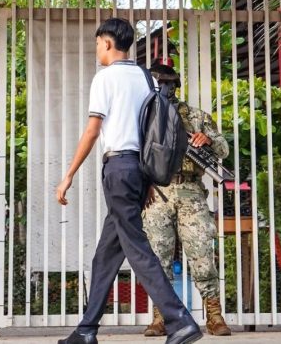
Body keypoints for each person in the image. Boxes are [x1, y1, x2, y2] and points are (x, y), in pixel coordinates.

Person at [55, 18, 202, 344]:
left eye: (97, 44)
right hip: (138, 170)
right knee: (106, 256)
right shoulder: (143, 78)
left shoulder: (104, 78)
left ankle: (180, 322)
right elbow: (151, 129)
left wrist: (68, 176)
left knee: (137, 249)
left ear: (107, 43)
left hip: (119, 168)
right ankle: (86, 330)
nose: (96, 49)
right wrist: (147, 180)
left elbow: (93, 130)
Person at [142, 63, 231, 337]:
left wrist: (208, 140)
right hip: (157, 192)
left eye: (168, 83)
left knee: (202, 253)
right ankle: (160, 317)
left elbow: (223, 148)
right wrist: (142, 186)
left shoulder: (195, 115)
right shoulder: (145, 116)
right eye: (159, 83)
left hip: (190, 190)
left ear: (175, 85)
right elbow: (136, 153)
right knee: (158, 259)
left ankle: (214, 314)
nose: (165, 88)